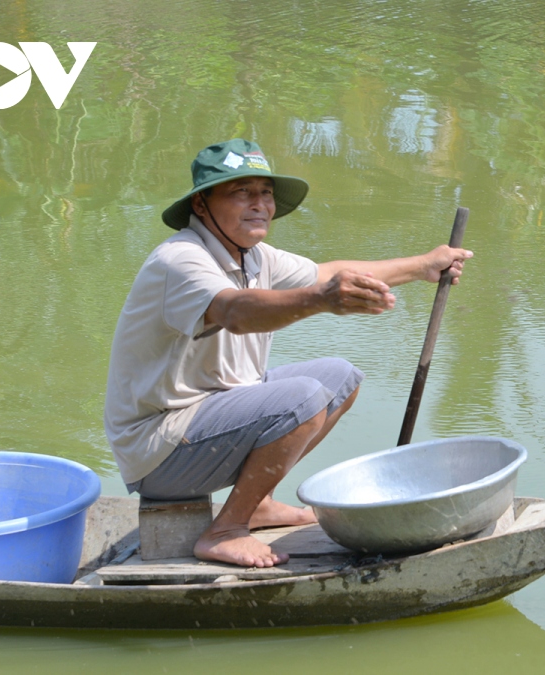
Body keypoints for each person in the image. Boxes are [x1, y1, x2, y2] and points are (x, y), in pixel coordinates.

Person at [104, 139, 471, 568]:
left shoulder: (254, 257)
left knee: (340, 376)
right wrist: (320, 300)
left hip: (207, 423)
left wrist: (423, 265)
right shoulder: (181, 260)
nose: (258, 204)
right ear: (201, 205)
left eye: (264, 192)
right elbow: (235, 312)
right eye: (241, 192)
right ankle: (225, 531)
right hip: (159, 450)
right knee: (303, 398)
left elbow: (329, 273)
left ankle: (258, 504)